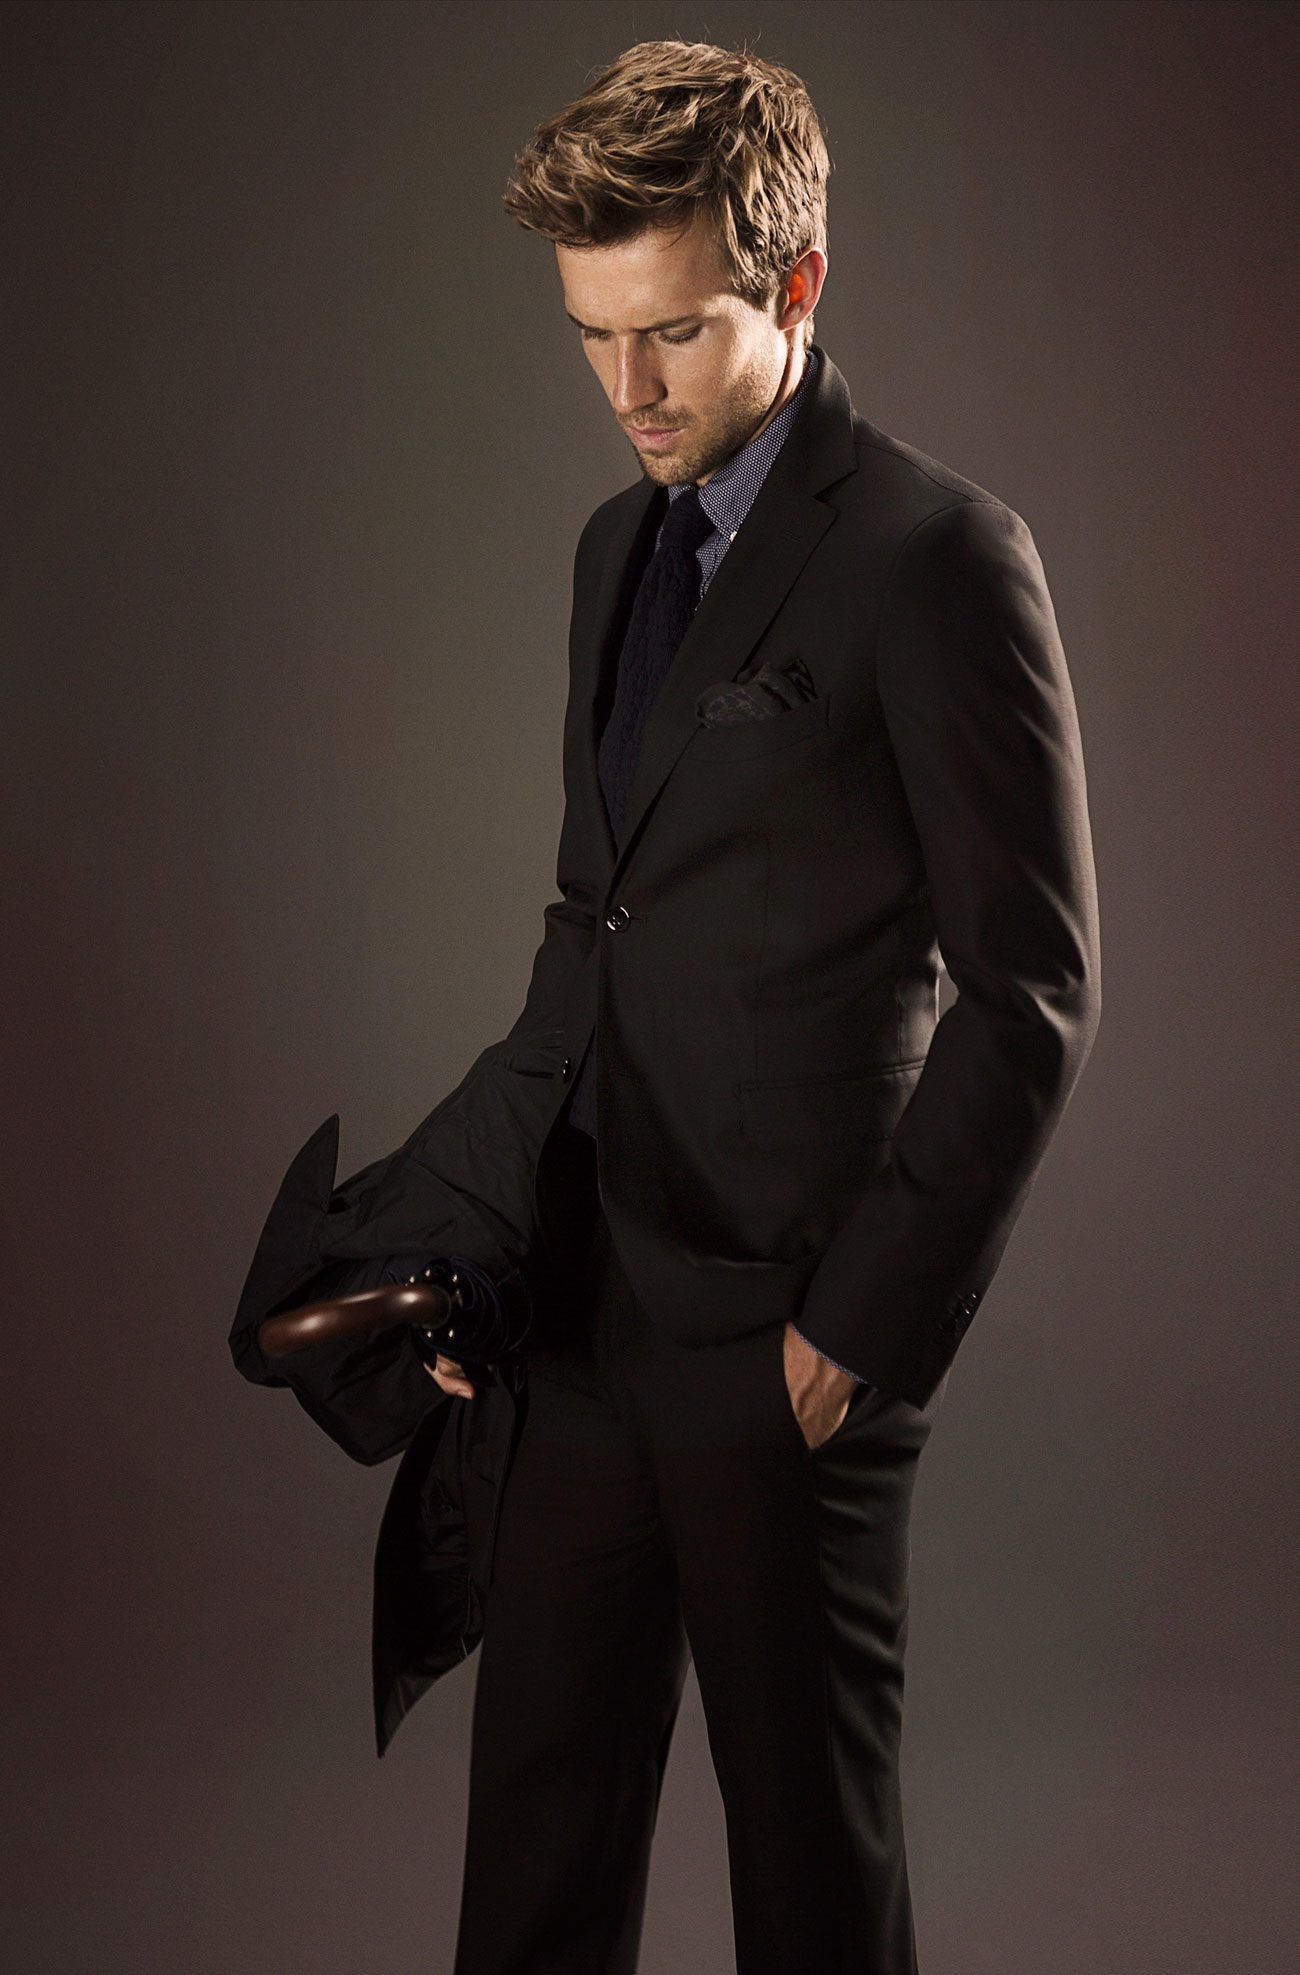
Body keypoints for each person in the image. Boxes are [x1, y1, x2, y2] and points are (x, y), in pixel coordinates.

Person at [231, 38, 1100, 1975]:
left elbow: (1032, 989)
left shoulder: (937, 559)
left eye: (675, 334)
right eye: (590, 338)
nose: (627, 391)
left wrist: (847, 1339)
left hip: (784, 1350)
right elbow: (593, 927)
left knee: (812, 1900)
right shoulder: (608, 552)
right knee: (530, 1890)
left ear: (799, 285)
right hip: (574, 1335)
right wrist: (472, 1224)